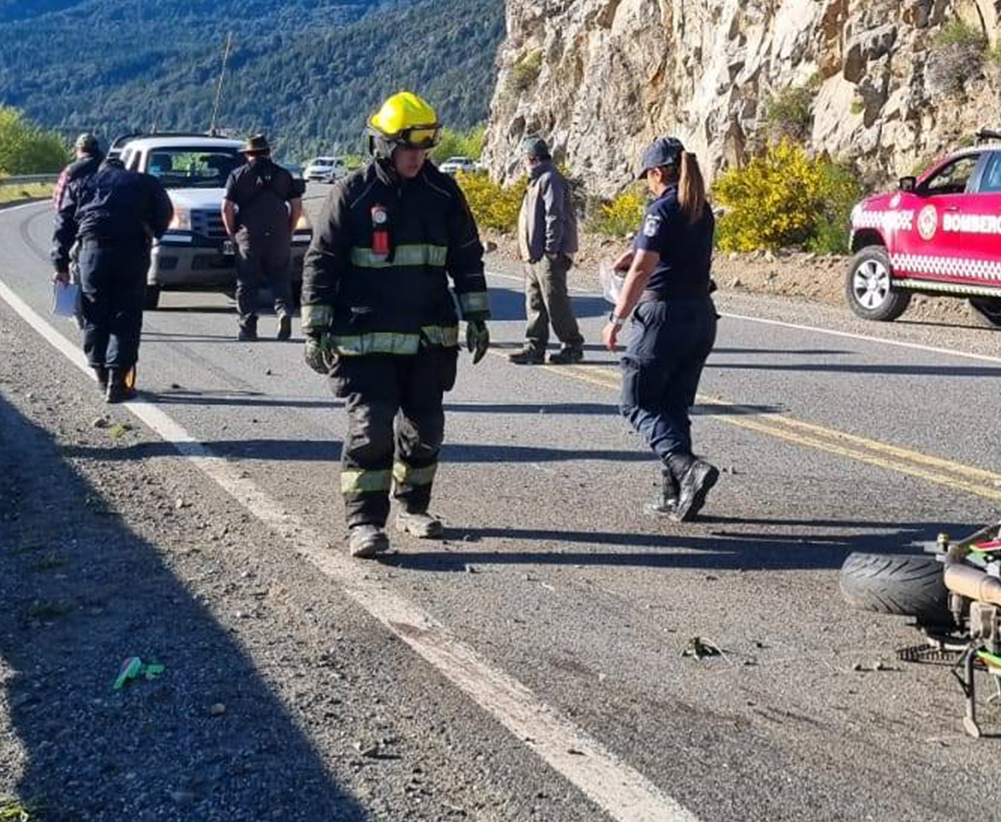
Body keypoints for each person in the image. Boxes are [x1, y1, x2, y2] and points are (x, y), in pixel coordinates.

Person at [300, 91, 490, 560]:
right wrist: (314, 327)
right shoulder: (353, 193)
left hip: (429, 338)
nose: (418, 156)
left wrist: (477, 315)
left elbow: (467, 257)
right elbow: (321, 261)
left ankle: (413, 507)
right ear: (384, 145)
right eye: (409, 147)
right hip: (365, 339)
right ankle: (364, 522)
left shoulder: (444, 194)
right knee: (372, 430)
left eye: (425, 147)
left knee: (425, 429)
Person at [603, 137, 719, 522]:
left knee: (636, 402)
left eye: (647, 178)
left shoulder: (662, 209)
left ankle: (688, 468)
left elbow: (641, 269)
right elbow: (659, 253)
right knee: (672, 406)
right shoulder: (700, 208)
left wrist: (618, 318)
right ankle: (675, 494)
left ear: (657, 173)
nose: (648, 185)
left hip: (663, 317)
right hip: (700, 315)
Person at [53, 153, 173, 403]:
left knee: (94, 314)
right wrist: (152, 231)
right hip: (131, 252)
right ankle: (118, 383)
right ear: (125, 169)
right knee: (126, 315)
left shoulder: (81, 184)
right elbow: (166, 212)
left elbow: (63, 224)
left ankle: (101, 377)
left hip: (92, 253)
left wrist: (60, 264)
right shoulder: (144, 182)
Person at [507, 137, 584, 365]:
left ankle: (572, 345)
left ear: (531, 158)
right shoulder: (537, 179)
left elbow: (554, 216)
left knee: (555, 300)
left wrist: (551, 250)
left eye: (524, 159)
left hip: (548, 255)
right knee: (535, 301)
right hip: (534, 255)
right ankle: (534, 346)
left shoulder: (550, 179)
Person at [222, 133, 305, 341]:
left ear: (248, 154)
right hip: (279, 236)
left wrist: (232, 234)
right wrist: (290, 230)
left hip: (248, 236)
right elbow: (296, 205)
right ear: (268, 152)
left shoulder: (237, 175)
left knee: (247, 282)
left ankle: (248, 328)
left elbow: (226, 208)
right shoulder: (284, 175)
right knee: (280, 278)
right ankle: (284, 311)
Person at [52, 133, 104, 210]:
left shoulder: (71, 170)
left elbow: (59, 203)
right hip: (107, 218)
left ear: (79, 150)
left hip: (79, 218)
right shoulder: (108, 167)